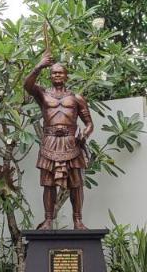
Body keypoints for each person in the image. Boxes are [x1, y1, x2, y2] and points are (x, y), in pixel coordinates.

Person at [24, 51, 94, 229]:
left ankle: (77, 220)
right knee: (48, 184)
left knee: (76, 184)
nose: (57, 75)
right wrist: (39, 65)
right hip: (50, 141)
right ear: (50, 75)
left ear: (66, 76)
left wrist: (84, 135)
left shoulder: (76, 98)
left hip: (72, 142)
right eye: (54, 72)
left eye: (60, 72)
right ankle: (48, 220)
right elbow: (27, 85)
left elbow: (89, 124)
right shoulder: (42, 94)